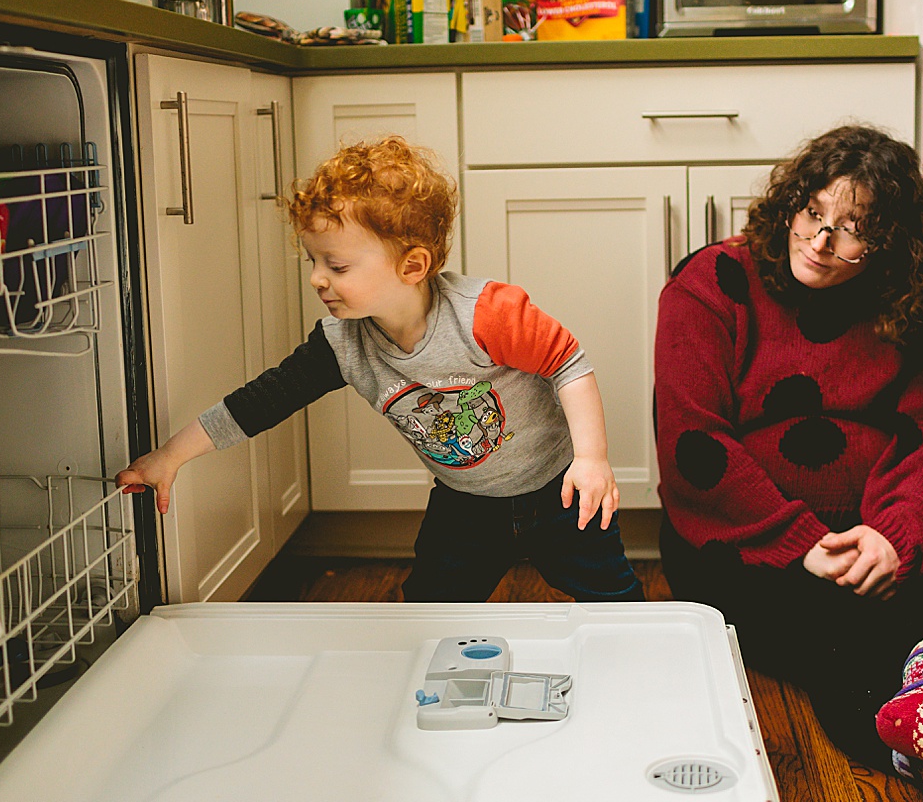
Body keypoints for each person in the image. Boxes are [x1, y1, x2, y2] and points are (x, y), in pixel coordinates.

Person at [118, 135, 644, 604]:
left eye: (337, 266)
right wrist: (169, 457)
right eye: (313, 261)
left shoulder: (486, 314)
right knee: (428, 612)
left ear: (412, 266)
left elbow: (568, 362)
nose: (317, 279)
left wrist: (591, 458)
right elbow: (261, 401)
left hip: (559, 491)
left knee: (616, 604)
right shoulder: (343, 344)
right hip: (464, 506)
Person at [653, 125, 923, 771]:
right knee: (843, 625)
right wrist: (802, 544)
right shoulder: (711, 282)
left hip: (869, 535)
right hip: (746, 540)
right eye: (812, 213)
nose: (820, 242)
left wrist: (892, 539)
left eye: (852, 228)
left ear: (889, 244)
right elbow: (692, 444)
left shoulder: (917, 309)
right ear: (790, 203)